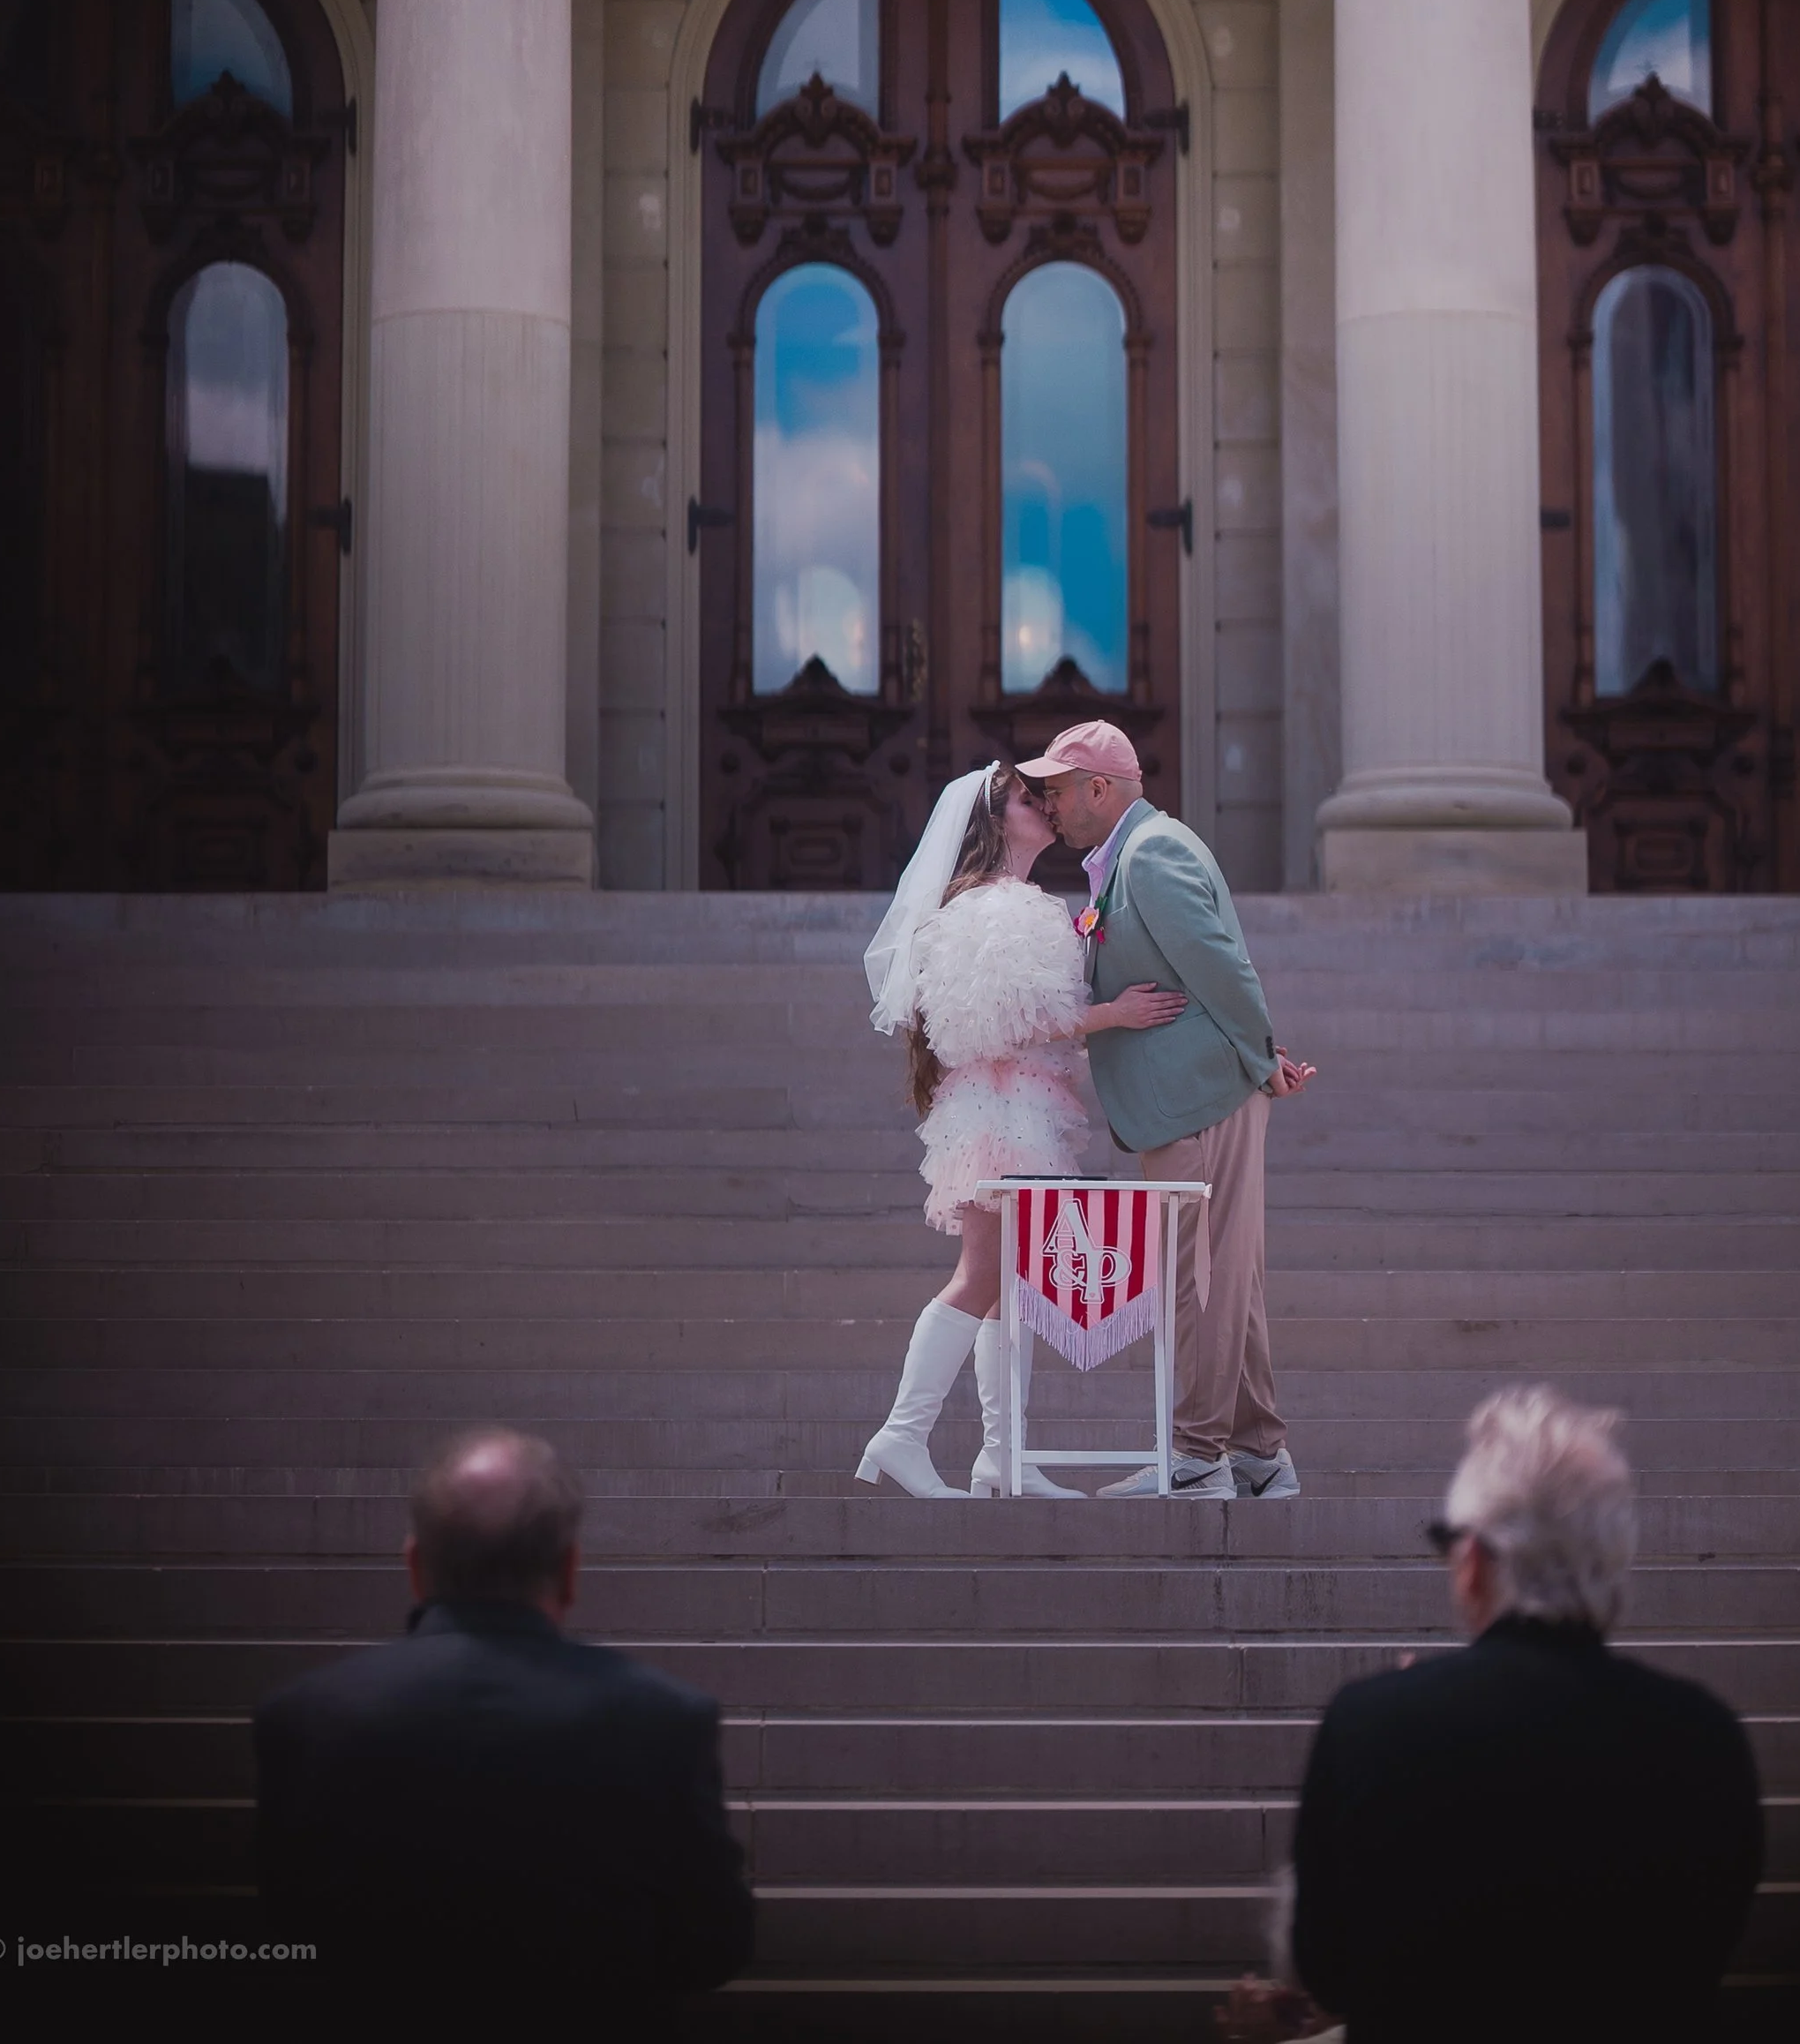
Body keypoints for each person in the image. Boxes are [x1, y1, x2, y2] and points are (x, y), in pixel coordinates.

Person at [1292, 1386, 1762, 2038]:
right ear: (1613, 1562)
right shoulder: (1707, 1739)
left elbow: (1328, 1966)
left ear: (1475, 1562)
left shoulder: (1369, 1723)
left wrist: (1400, 1720)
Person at [253, 1426, 752, 1996]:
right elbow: (715, 1939)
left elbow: (288, 1931)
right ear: (569, 1570)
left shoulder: (302, 1718)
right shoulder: (664, 1718)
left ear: (415, 1567)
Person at [859, 758, 1186, 1499]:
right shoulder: (988, 905)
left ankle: (1003, 1457)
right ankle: (904, 1434)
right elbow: (993, 1026)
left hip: (1021, 1107)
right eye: (1022, 797)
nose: (1041, 804)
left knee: (1014, 1285)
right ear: (992, 818)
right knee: (984, 1274)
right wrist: (1112, 1013)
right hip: (998, 1111)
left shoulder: (1017, 900)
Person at [1021, 719, 1314, 1500]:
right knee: (1225, 1277)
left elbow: (1222, 967)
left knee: (1200, 1278)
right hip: (1194, 1093)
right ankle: (1257, 1454)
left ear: (1100, 789)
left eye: (1056, 787)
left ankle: (1196, 1457)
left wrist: (1262, 1059)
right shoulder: (1129, 856)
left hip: (1200, 1097)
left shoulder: (1153, 853)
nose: (1047, 800)